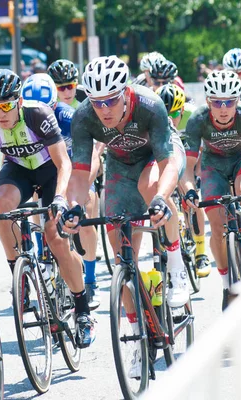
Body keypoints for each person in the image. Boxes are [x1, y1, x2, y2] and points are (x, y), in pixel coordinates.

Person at [64, 56, 188, 379]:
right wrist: (73, 207)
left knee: (152, 189)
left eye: (111, 100)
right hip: (120, 166)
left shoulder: (149, 104)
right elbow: (79, 173)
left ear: (126, 93)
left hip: (158, 157)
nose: (104, 109)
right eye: (97, 102)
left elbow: (168, 163)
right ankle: (134, 333)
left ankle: (175, 265)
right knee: (121, 254)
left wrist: (161, 198)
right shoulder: (84, 117)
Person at [0, 69, 96, 348]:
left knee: (56, 240)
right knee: (2, 202)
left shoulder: (38, 114)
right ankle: (18, 269)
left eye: (5, 105)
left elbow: (64, 163)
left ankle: (82, 309)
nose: (0, 113)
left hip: (50, 172)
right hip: (18, 172)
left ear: (18, 101)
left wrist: (60, 199)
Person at [183, 71, 241, 310]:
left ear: (238, 100)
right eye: (217, 102)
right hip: (213, 165)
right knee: (217, 226)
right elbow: (188, 168)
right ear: (208, 101)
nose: (223, 108)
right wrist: (190, 191)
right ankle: (226, 284)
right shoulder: (198, 119)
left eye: (229, 101)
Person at [20, 73, 102, 309]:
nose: (40, 116)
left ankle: (90, 279)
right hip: (46, 168)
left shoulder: (68, 117)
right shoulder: (22, 120)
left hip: (76, 165)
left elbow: (92, 155)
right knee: (37, 203)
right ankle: (44, 254)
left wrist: (84, 185)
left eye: (46, 109)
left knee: (85, 212)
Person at [156, 83, 211, 277]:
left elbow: (205, 146)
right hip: (168, 152)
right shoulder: (154, 117)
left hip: (191, 151)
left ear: (181, 110)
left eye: (174, 114)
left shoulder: (192, 115)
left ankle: (201, 253)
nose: (170, 120)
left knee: (192, 194)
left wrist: (197, 171)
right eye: (166, 115)